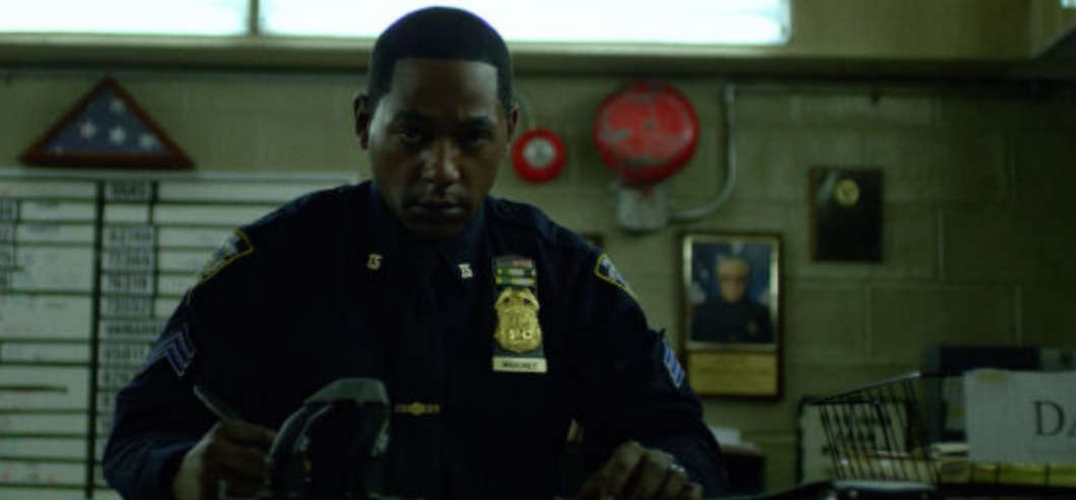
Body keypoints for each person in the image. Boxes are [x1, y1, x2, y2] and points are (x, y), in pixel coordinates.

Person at [104, 7, 725, 500]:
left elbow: (682, 436)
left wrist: (666, 467)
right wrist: (181, 470)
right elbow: (138, 435)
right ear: (363, 123)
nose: (441, 169)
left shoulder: (565, 276)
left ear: (509, 131)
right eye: (412, 134)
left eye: (472, 137)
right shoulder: (272, 263)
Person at [690, 255, 773, 344]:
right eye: (726, 279)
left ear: (747, 281)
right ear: (718, 281)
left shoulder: (761, 314)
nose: (733, 284)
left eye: (740, 279)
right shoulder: (703, 312)